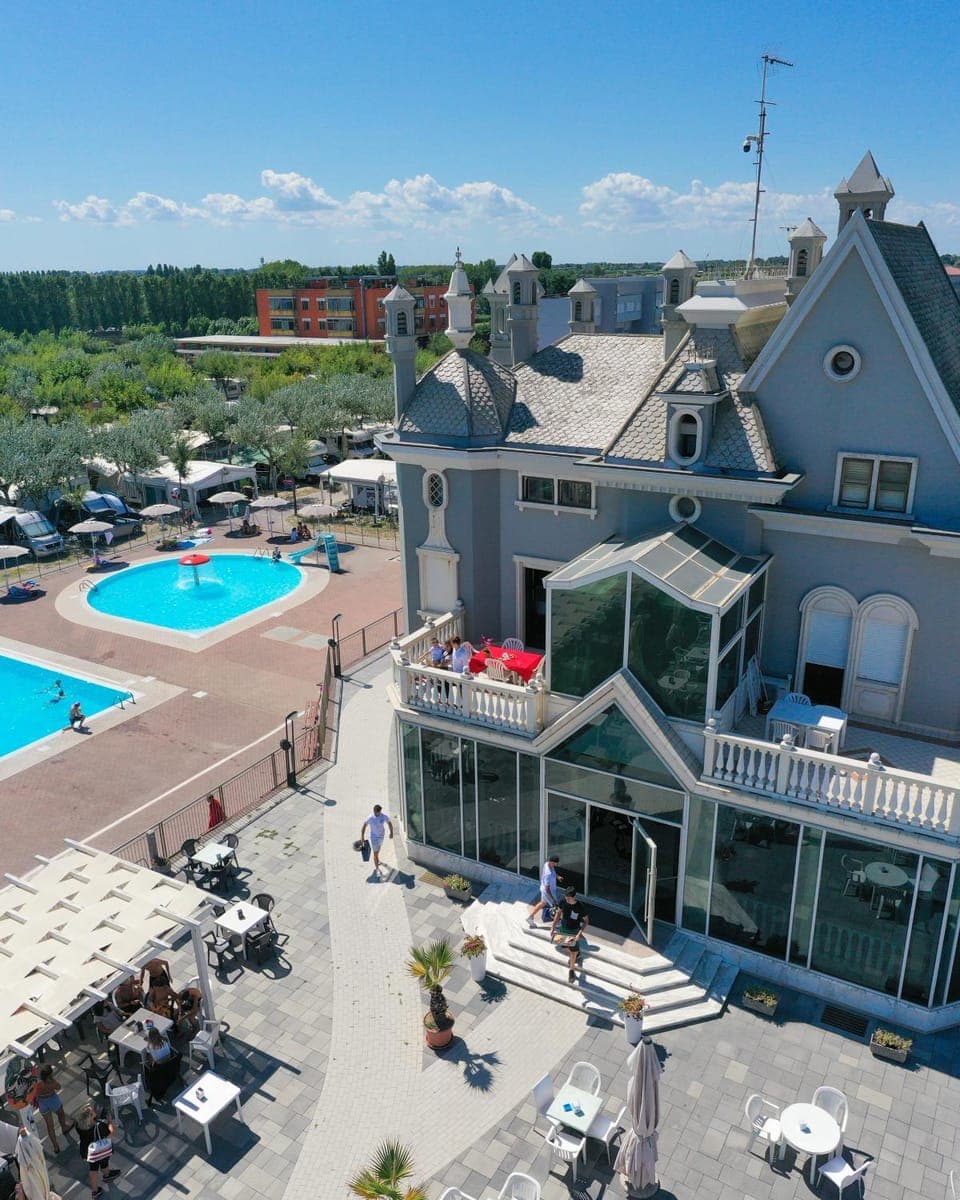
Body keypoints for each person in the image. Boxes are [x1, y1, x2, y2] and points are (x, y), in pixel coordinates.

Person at [74, 1103, 120, 1199]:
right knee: (104, 1162)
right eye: (92, 1112)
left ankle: (95, 1191)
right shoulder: (99, 1126)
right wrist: (110, 1122)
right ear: (91, 1118)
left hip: (88, 1152)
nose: (95, 1111)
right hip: (100, 1150)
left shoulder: (78, 1125)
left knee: (93, 1169)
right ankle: (107, 1175)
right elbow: (111, 1134)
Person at [550, 886, 590, 984]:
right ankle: (577, 953)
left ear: (574, 896)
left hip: (574, 931)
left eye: (569, 898)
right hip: (563, 928)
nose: (567, 899)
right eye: (566, 897)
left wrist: (579, 934)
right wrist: (553, 926)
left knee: (572, 952)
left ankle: (571, 971)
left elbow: (586, 921)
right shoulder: (563, 901)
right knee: (563, 946)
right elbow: (558, 913)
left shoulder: (580, 907)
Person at [30, 1065, 74, 1152]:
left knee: (50, 1126)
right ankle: (64, 1127)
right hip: (52, 1100)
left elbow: (33, 1093)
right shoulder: (51, 1083)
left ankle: (55, 1146)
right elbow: (59, 1087)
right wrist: (53, 1080)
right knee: (60, 1113)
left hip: (42, 1103)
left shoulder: (37, 1084)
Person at [528, 855, 562, 926]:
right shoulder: (548, 874)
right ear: (552, 862)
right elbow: (547, 888)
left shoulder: (547, 864)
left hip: (544, 889)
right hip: (548, 892)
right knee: (556, 907)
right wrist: (552, 899)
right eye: (556, 863)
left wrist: (557, 876)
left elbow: (553, 871)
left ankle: (530, 917)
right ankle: (558, 923)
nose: (557, 864)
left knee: (542, 903)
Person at [360, 804, 394, 872]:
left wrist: (391, 832)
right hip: (374, 838)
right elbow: (364, 826)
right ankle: (377, 868)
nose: (377, 813)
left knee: (378, 850)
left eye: (378, 812)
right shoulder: (370, 818)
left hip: (381, 837)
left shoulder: (383, 816)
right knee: (375, 853)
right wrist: (362, 836)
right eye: (376, 812)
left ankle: (377, 859)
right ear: (374, 811)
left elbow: (389, 823)